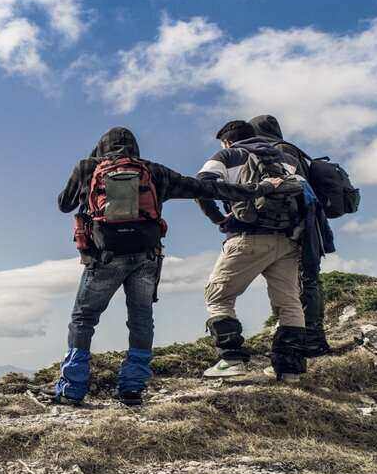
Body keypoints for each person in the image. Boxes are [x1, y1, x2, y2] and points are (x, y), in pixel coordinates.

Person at [52, 126, 279, 407]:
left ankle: (72, 389)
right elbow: (205, 187)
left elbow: (64, 204)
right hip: (147, 257)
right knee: (141, 319)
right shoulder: (154, 171)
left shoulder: (89, 168)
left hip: (104, 257)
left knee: (84, 319)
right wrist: (261, 189)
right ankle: (132, 389)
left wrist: (90, 163)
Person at [196, 120, 309, 382]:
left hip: (248, 237)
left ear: (227, 141)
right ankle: (289, 369)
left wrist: (219, 219)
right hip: (288, 240)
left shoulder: (228, 155)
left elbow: (202, 186)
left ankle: (231, 360)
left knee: (218, 297)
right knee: (289, 303)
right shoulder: (285, 158)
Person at [248, 114, 336, 357]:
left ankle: (311, 341)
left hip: (299, 226)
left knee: (302, 281)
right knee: (307, 280)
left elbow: (289, 188)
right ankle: (313, 339)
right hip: (310, 223)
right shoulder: (292, 149)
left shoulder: (278, 151)